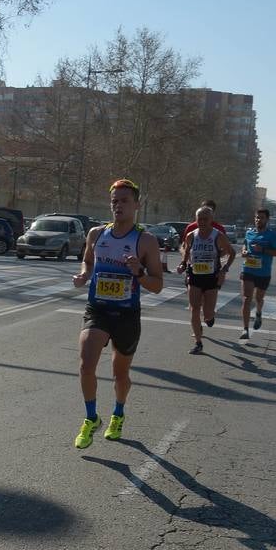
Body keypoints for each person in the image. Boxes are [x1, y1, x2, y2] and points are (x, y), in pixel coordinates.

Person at [70, 178, 165, 447]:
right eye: (114, 201)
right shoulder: (97, 234)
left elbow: (157, 285)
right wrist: (84, 275)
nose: (118, 205)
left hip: (126, 315)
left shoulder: (145, 241)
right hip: (97, 309)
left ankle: (118, 413)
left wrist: (140, 272)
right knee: (86, 364)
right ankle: (91, 419)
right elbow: (89, 260)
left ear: (137, 205)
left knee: (119, 374)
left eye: (124, 201)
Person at [179, 204, 236, 354]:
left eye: (205, 219)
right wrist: (183, 264)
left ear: (211, 220)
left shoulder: (218, 236)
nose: (202, 222)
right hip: (195, 276)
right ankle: (198, 342)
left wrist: (225, 268)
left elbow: (232, 253)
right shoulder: (191, 235)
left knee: (208, 313)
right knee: (194, 309)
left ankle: (209, 318)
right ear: (196, 219)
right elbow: (186, 253)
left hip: (211, 277)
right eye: (199, 219)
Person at [238, 208, 276, 340]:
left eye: (262, 218)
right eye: (257, 217)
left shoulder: (272, 236)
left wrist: (263, 249)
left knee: (258, 298)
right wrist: (244, 251)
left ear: (267, 220)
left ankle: (258, 313)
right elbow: (244, 246)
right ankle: (245, 329)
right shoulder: (249, 233)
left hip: (263, 272)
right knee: (246, 299)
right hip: (248, 269)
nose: (258, 220)